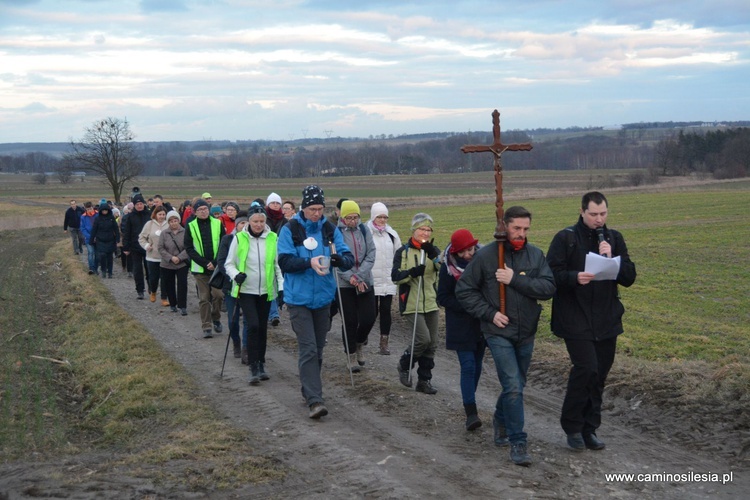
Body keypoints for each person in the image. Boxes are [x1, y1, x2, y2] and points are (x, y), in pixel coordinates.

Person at [456, 206, 556, 467]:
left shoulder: (535, 255)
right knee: (512, 385)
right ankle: (518, 441)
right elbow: (464, 290)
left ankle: (501, 419)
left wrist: (514, 280)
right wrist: (490, 314)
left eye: (525, 229)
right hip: (498, 331)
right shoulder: (488, 256)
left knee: (517, 385)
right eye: (516, 229)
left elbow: (548, 288)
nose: (521, 234)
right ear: (504, 226)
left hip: (527, 332)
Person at [546, 191, 637, 451]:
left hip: (607, 318)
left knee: (599, 375)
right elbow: (550, 274)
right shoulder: (566, 238)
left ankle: (590, 429)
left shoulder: (613, 238)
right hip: (574, 317)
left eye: (603, 214)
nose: (599, 219)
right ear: (582, 211)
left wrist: (612, 261)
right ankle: (572, 427)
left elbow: (629, 277)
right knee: (586, 368)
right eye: (594, 214)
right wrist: (575, 277)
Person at [277, 185, 354, 419]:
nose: (317, 213)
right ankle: (315, 399)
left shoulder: (329, 230)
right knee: (308, 348)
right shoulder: (290, 229)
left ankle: (308, 388)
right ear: (304, 207)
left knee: (319, 349)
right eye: (312, 209)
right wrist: (308, 263)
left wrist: (339, 259)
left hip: (323, 298)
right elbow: (285, 262)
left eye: (320, 208)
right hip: (298, 299)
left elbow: (347, 258)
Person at [225, 205, 284, 384]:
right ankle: (252, 366)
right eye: (255, 221)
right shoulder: (239, 238)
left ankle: (261, 363)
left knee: (263, 328)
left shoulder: (273, 238)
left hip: (266, 291)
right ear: (248, 222)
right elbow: (229, 264)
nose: (258, 225)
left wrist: (281, 287)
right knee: (253, 325)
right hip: (246, 290)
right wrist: (236, 275)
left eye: (261, 221)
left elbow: (277, 265)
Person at [436, 229, 485, 431]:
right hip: (460, 324)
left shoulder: (483, 261)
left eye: (471, 249)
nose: (468, 255)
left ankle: (469, 398)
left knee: (478, 363)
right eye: (463, 252)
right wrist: (466, 304)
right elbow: (442, 298)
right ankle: (471, 412)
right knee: (468, 366)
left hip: (481, 322)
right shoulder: (447, 268)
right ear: (455, 251)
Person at [392, 213, 441, 395]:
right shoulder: (403, 252)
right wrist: (413, 272)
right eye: (422, 229)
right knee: (423, 339)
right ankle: (404, 365)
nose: (425, 233)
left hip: (430, 302)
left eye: (428, 230)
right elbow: (396, 277)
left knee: (433, 343)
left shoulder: (433, 250)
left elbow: (444, 270)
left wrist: (434, 256)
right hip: (411, 303)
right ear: (414, 230)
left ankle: (424, 380)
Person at [335, 200, 376, 372]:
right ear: (342, 217)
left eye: (356, 217)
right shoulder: (336, 233)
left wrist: (360, 276)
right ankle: (351, 354)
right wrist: (350, 277)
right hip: (345, 284)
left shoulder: (364, 230)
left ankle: (360, 343)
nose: (353, 221)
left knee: (369, 318)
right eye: (349, 218)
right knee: (350, 321)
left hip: (365, 280)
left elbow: (371, 253)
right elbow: (336, 259)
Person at [185, 198, 226, 338]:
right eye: (200, 210)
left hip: (216, 267)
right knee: (204, 298)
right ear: (195, 212)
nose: (203, 212)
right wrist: (204, 263)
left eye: (205, 209)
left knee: (218, 295)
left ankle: (216, 317)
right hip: (200, 269)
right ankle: (206, 326)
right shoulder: (190, 226)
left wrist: (215, 262)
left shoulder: (217, 223)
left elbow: (223, 244)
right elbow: (189, 248)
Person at [366, 202, 401, 355]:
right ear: (373, 216)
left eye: (385, 217)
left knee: (386, 311)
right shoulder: (366, 233)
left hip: (388, 280)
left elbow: (399, 255)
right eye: (379, 217)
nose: (382, 220)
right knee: (370, 313)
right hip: (371, 280)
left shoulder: (392, 235)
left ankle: (384, 342)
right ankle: (363, 335)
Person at [216, 211, 249, 361]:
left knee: (248, 319)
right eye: (242, 223)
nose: (245, 226)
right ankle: (236, 341)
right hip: (231, 286)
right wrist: (234, 276)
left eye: (247, 223)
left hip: (250, 287)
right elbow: (221, 262)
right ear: (237, 225)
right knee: (233, 320)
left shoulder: (254, 240)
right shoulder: (228, 239)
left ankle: (246, 349)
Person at [158, 210, 189, 315]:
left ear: (179, 221)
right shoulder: (164, 233)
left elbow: (188, 247)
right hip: (167, 264)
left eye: (175, 220)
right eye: (171, 221)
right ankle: (172, 304)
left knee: (182, 284)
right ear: (168, 222)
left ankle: (182, 306)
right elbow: (160, 248)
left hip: (182, 263)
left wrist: (179, 258)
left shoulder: (185, 232)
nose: (173, 223)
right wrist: (171, 258)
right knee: (169, 284)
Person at [121, 194, 151, 299]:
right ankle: (140, 290)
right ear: (134, 205)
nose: (139, 206)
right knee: (137, 270)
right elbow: (127, 232)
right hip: (135, 246)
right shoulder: (130, 216)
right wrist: (126, 247)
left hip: (148, 247)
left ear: (144, 204)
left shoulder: (150, 214)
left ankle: (151, 287)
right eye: (137, 204)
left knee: (149, 269)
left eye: (141, 204)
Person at [264, 192, 288, 327]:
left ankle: (275, 307)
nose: (275, 205)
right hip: (266, 255)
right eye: (273, 202)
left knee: (279, 282)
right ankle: (273, 314)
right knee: (271, 283)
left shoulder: (284, 221)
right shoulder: (263, 219)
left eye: (277, 203)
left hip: (281, 254)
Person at [139, 206, 169, 305]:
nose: (162, 216)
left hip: (165, 257)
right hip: (152, 256)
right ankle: (153, 292)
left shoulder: (169, 224)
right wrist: (146, 245)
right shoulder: (149, 224)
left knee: (165, 278)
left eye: (163, 214)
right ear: (155, 214)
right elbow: (141, 238)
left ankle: (164, 298)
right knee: (153, 277)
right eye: (160, 214)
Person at [88, 202, 120, 279]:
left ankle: (110, 272)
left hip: (110, 240)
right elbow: (94, 230)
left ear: (108, 210)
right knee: (102, 256)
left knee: (109, 257)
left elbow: (116, 229)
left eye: (106, 210)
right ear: (101, 211)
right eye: (103, 210)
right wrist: (91, 240)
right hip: (100, 240)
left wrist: (117, 239)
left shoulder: (112, 218)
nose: (104, 212)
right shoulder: (97, 219)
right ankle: (103, 270)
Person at [80, 201, 99, 275]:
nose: (89, 210)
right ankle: (91, 268)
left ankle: (96, 268)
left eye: (90, 208)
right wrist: (90, 237)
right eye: (88, 209)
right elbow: (82, 228)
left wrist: (97, 236)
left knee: (97, 255)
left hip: (98, 238)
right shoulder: (83, 217)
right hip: (89, 238)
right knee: (91, 253)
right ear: (85, 209)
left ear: (93, 207)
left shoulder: (98, 214)